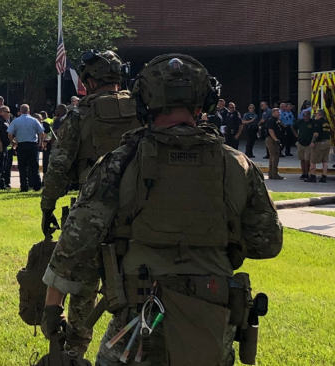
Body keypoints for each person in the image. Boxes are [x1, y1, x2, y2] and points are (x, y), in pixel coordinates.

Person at [41, 54, 283, 366]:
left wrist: (52, 306)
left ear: (144, 102)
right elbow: (268, 243)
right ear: (205, 103)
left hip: (139, 319)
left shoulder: (120, 162)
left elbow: (76, 242)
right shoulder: (237, 165)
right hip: (212, 319)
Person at [39, 50, 139, 357]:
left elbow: (58, 166)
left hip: (91, 210)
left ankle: (74, 352)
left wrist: (47, 205)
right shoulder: (143, 110)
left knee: (82, 287)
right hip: (139, 212)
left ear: (89, 81)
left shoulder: (80, 115)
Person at [7, 105, 44, 193]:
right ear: (29, 111)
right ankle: (37, 185)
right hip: (32, 145)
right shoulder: (34, 120)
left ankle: (24, 186)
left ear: (20, 111)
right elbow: (41, 132)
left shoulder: (16, 121)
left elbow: (9, 134)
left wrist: (13, 142)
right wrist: (40, 142)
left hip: (21, 145)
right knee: (34, 166)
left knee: (22, 167)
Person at [309, 109, 332, 183]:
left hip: (320, 143)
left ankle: (313, 176)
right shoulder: (326, 123)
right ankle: (324, 176)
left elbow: (316, 133)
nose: (315, 115)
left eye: (316, 114)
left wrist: (312, 141)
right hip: (327, 142)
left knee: (313, 160)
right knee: (325, 161)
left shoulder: (318, 122)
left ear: (319, 114)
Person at [293, 109, 315, 180]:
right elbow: (293, 127)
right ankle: (303, 173)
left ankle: (307, 173)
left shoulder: (312, 122)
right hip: (300, 143)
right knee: (302, 159)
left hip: (308, 144)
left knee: (307, 160)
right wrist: (296, 135)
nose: (304, 116)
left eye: (306, 115)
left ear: (309, 115)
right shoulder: (300, 122)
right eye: (303, 115)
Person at [265, 107, 285, 180]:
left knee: (272, 157)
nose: (279, 113)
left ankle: (271, 173)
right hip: (271, 139)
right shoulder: (271, 120)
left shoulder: (277, 120)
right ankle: (274, 174)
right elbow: (270, 130)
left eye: (279, 112)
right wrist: (276, 139)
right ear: (273, 113)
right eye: (277, 112)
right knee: (275, 156)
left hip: (274, 139)